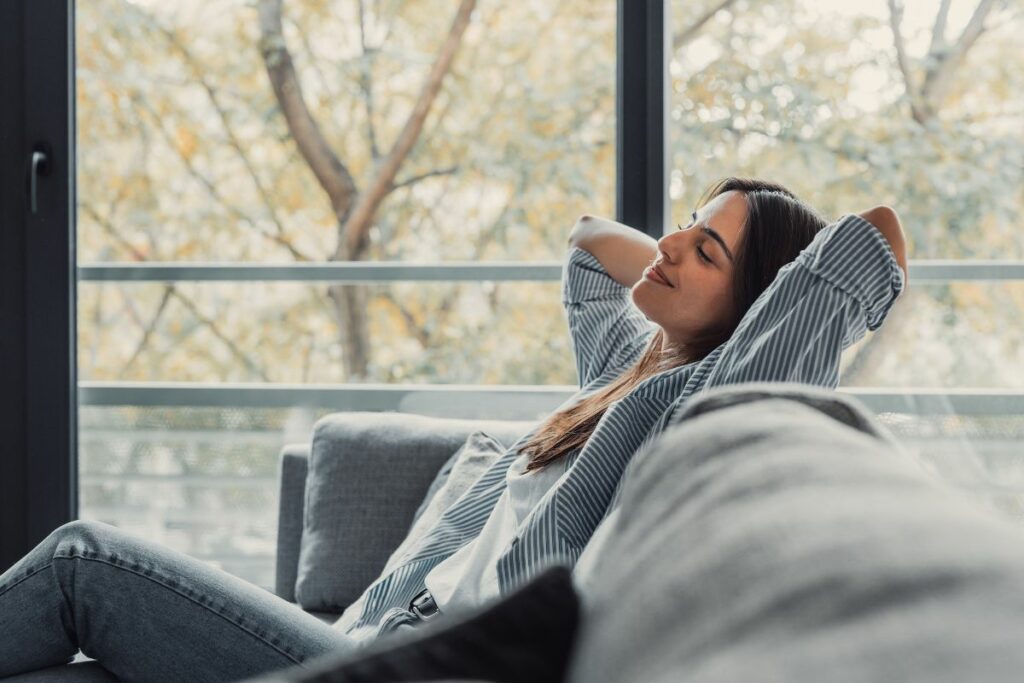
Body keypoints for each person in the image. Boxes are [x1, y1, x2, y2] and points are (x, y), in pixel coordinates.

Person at [0, 177, 909, 682]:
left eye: (704, 250)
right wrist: (690, 257)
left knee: (86, 563)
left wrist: (744, 298)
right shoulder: (623, 374)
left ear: (758, 310)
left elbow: (875, 234)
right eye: (681, 226)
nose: (670, 247)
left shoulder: (706, 399)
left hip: (419, 667)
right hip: (367, 634)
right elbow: (590, 241)